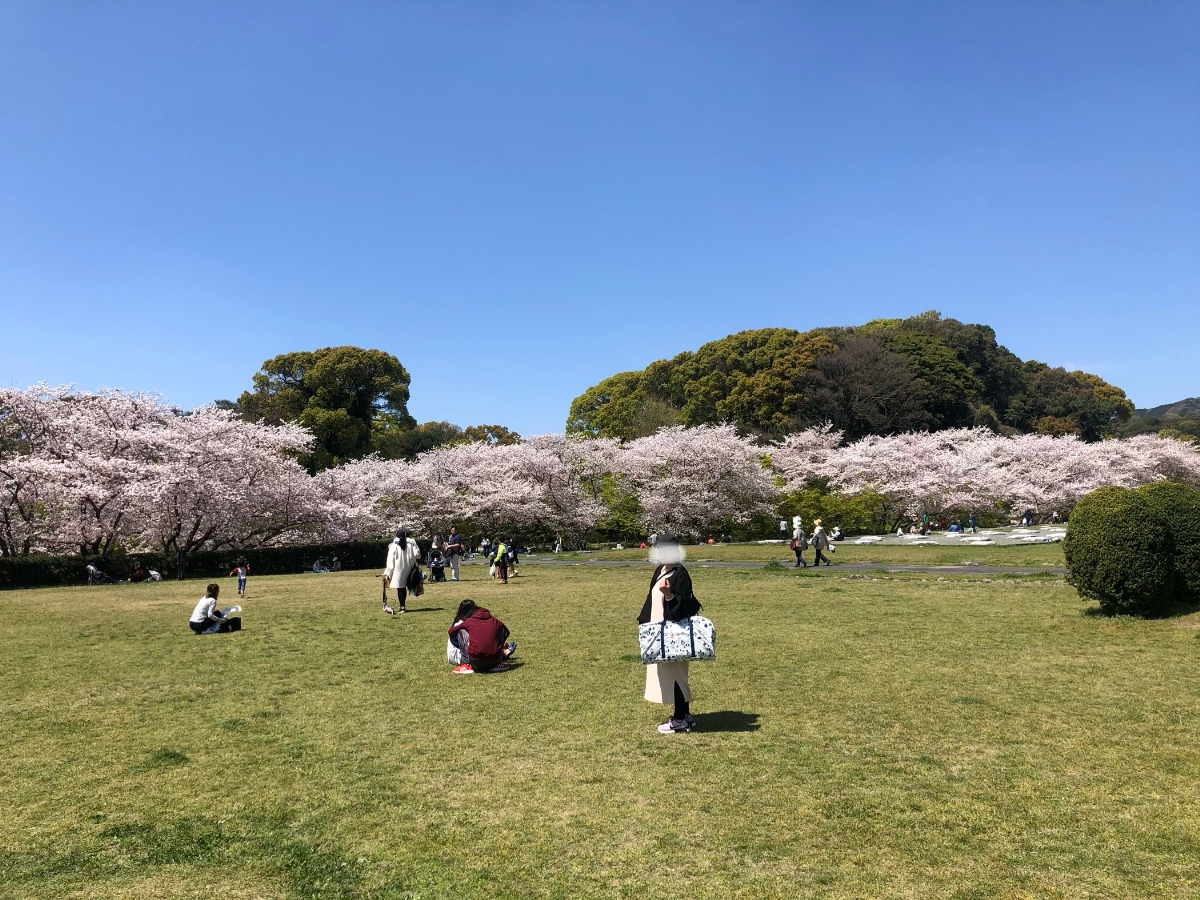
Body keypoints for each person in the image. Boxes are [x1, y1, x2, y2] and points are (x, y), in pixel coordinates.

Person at [637, 535, 701, 734]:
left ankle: (680, 719)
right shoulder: (661, 570)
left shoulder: (681, 574)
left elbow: (681, 610)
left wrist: (669, 595)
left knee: (676, 675)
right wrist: (644, 623)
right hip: (659, 633)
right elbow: (650, 599)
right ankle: (685, 716)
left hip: (675, 634)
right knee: (669, 674)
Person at [448, 599, 516, 673]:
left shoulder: (469, 621)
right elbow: (506, 632)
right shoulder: (494, 620)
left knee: (460, 630)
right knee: (498, 630)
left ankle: (467, 664)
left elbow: (451, 631)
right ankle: (500, 659)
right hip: (494, 660)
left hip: (475, 661)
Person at [382, 530, 421, 614]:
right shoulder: (410, 545)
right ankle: (402, 606)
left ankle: (402, 607)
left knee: (400, 588)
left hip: (398, 570)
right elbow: (417, 555)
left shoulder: (393, 546)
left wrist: (387, 573)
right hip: (409, 568)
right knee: (403, 588)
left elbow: (390, 563)